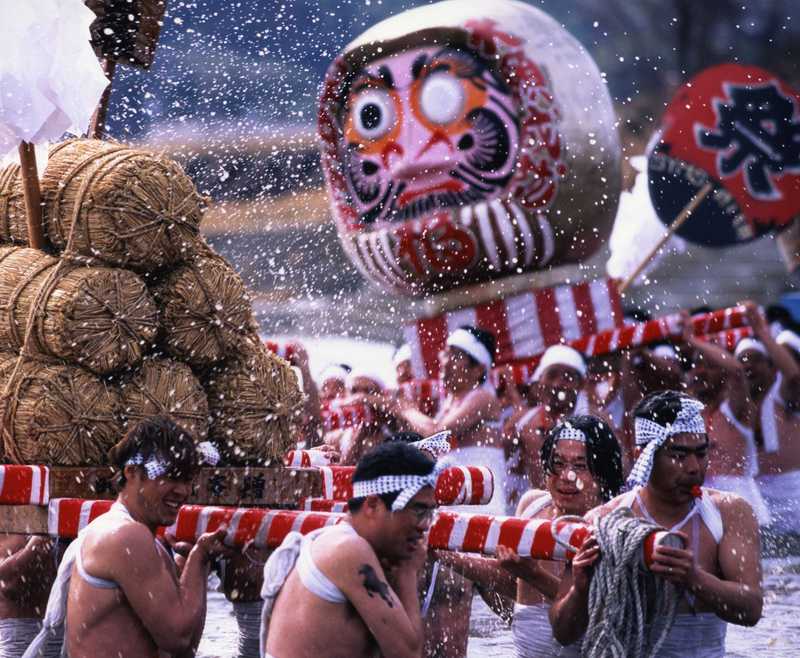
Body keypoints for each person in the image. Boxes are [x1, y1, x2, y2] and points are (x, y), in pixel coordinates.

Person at [550, 391, 763, 657]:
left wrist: (694, 579)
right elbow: (563, 632)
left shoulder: (730, 512)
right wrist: (581, 591)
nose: (694, 467)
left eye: (701, 453)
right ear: (645, 456)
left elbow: (752, 608)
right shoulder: (604, 521)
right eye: (679, 455)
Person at [24, 416, 231, 658]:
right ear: (131, 473)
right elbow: (178, 639)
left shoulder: (136, 537)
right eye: (170, 477)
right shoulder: (126, 536)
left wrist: (194, 567)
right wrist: (199, 557)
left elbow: (186, 648)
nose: (183, 490)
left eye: (187, 479)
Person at [436, 415, 624, 657]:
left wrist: (532, 574)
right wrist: (444, 555)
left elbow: (603, 613)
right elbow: (513, 582)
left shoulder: (612, 523)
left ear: (603, 474)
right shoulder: (533, 505)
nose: (566, 476)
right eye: (557, 463)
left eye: (579, 466)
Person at [261, 442, 433, 658]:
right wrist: (407, 572)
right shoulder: (349, 550)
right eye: (418, 510)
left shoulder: (344, 543)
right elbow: (408, 655)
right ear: (372, 505)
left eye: (429, 512)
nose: (425, 525)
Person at [680, 313, 770, 525]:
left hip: (744, 508)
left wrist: (693, 341)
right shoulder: (694, 414)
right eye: (697, 366)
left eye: (709, 366)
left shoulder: (736, 409)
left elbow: (737, 371)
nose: (700, 372)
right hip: (707, 508)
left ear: (723, 373)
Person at [735, 301, 800, 536]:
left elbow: (793, 376)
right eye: (742, 360)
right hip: (758, 493)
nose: (748, 365)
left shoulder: (782, 395)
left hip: (792, 491)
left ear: (771, 366)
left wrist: (762, 332)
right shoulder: (737, 404)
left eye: (755, 359)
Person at [503, 345, 587, 490]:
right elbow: (496, 463)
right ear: (539, 380)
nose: (558, 384)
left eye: (568, 377)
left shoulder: (595, 423)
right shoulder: (521, 421)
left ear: (580, 384)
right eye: (552, 375)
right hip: (527, 508)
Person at [0, 535, 60, 658]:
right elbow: (9, 585)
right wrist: (36, 545)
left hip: (68, 634)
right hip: (18, 641)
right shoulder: (8, 526)